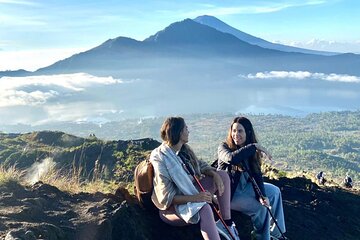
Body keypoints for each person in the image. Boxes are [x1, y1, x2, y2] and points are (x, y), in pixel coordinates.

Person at [150, 117, 240, 240]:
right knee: (205, 207)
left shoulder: (183, 151)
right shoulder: (161, 159)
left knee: (223, 176)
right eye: (186, 128)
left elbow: (201, 165)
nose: (188, 131)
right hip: (172, 210)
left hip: (189, 194)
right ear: (179, 132)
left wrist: (215, 175)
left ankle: (227, 224)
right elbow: (167, 199)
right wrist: (196, 198)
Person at [216, 116, 287, 240]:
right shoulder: (224, 148)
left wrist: (262, 196)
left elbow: (256, 174)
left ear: (248, 132)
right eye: (234, 131)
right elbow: (232, 158)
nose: (236, 134)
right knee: (260, 208)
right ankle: (261, 237)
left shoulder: (250, 151)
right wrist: (254, 146)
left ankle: (276, 235)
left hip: (244, 187)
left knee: (274, 192)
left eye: (240, 131)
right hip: (228, 194)